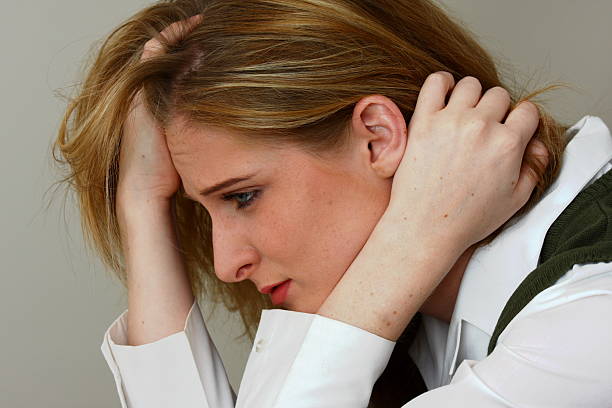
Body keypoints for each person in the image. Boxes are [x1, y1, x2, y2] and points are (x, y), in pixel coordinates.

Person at [52, 1, 612, 407]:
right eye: (203, 211)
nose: (226, 265)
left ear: (378, 137)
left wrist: (409, 243)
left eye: (243, 196)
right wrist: (143, 205)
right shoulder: (433, 311)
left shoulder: (589, 318)